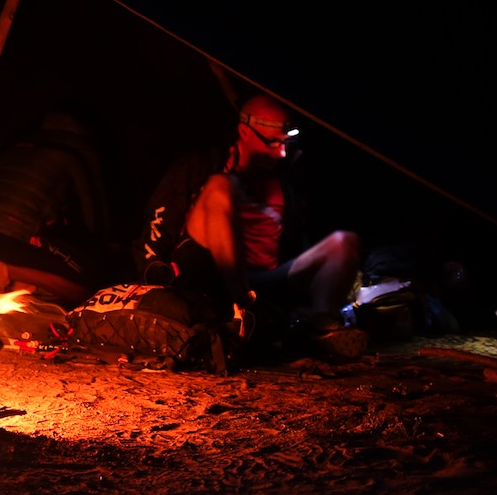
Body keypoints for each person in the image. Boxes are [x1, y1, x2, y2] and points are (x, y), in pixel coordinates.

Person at [137, 93, 362, 349]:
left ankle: (317, 329)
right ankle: (243, 309)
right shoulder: (201, 167)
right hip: (203, 272)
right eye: (271, 143)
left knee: (344, 243)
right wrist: (155, 274)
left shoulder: (288, 180)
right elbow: (156, 228)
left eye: (285, 143)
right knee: (221, 187)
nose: (280, 153)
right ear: (244, 132)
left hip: (260, 282)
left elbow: (300, 241)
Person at [0, 108, 115, 313]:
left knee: (48, 268)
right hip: (12, 230)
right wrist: (106, 246)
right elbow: (94, 208)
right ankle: (3, 268)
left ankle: (23, 304)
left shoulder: (24, 142)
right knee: (91, 286)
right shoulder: (78, 148)